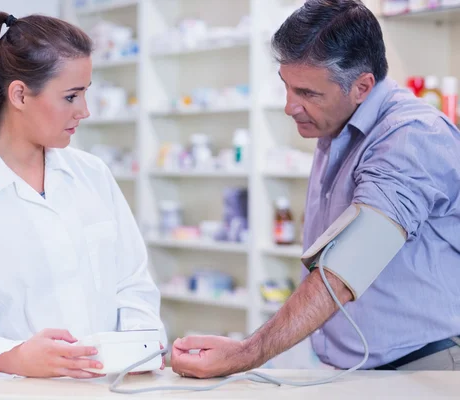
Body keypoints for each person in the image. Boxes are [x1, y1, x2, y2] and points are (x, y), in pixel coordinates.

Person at [171, 0, 460, 377]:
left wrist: (244, 354)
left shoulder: (412, 136)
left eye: (307, 93)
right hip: (353, 370)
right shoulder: (335, 124)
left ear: (362, 86)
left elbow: (342, 270)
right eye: (287, 88)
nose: (290, 106)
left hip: (420, 368)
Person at [0, 12, 165, 379]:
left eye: (85, 92)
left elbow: (133, 285)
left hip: (108, 386)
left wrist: (138, 348)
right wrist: (14, 356)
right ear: (19, 94)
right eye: (71, 96)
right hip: (18, 389)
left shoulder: (92, 175)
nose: (84, 111)